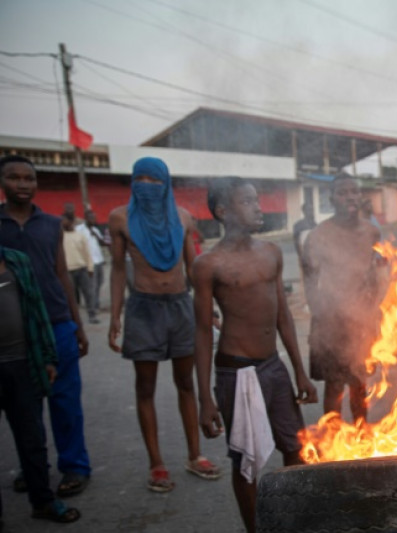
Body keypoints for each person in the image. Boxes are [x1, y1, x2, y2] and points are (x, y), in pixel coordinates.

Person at [193, 177, 317, 533]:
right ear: (223, 211)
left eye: (256, 199)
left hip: (273, 366)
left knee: (296, 447)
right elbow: (202, 332)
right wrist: (205, 398)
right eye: (247, 202)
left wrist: (300, 371)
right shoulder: (209, 265)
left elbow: (282, 315)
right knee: (246, 462)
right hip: (238, 371)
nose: (258, 207)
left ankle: (295, 521)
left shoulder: (270, 253)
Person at [108, 157, 221, 492]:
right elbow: (116, 269)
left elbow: (195, 270)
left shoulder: (183, 218)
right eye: (140, 179)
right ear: (132, 182)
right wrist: (116, 314)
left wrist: (209, 309)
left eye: (154, 180)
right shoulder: (120, 219)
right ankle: (156, 464)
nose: (147, 186)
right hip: (143, 309)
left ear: (166, 183)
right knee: (145, 388)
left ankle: (195, 456)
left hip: (179, 306)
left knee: (186, 383)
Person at [0, 155, 91, 498]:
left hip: (56, 323)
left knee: (65, 401)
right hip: (14, 330)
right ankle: (32, 467)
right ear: (2, 182)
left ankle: (75, 467)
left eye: (29, 178)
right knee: (25, 407)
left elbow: (61, 274)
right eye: (14, 177)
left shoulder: (51, 224)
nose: (23, 184)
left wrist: (77, 324)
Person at [0, 245, 81, 524]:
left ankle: (43, 502)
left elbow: (37, 311)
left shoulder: (17, 261)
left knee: (32, 439)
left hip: (23, 364)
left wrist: (47, 357)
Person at [302, 174, 386, 421]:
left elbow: (378, 274)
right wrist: (322, 318)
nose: (350, 197)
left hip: (362, 319)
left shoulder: (371, 232)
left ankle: (362, 437)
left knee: (360, 384)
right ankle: (332, 443)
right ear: (332, 199)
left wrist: (372, 311)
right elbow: (309, 282)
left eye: (354, 191)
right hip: (332, 322)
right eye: (343, 192)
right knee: (335, 386)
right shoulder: (319, 235)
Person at [61, 215, 95, 325]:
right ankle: (75, 318)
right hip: (68, 271)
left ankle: (92, 315)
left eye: (66, 221)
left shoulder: (80, 236)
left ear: (71, 223)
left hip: (82, 269)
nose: (65, 224)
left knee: (88, 293)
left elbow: (87, 253)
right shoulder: (60, 237)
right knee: (71, 296)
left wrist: (90, 267)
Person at [75, 210, 107, 324]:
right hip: (89, 263)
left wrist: (97, 236)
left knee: (99, 283)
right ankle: (92, 311)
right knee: (91, 287)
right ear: (86, 218)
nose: (93, 220)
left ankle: (96, 304)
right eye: (91, 218)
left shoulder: (95, 229)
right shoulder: (79, 230)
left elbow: (102, 243)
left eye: (94, 217)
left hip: (99, 261)